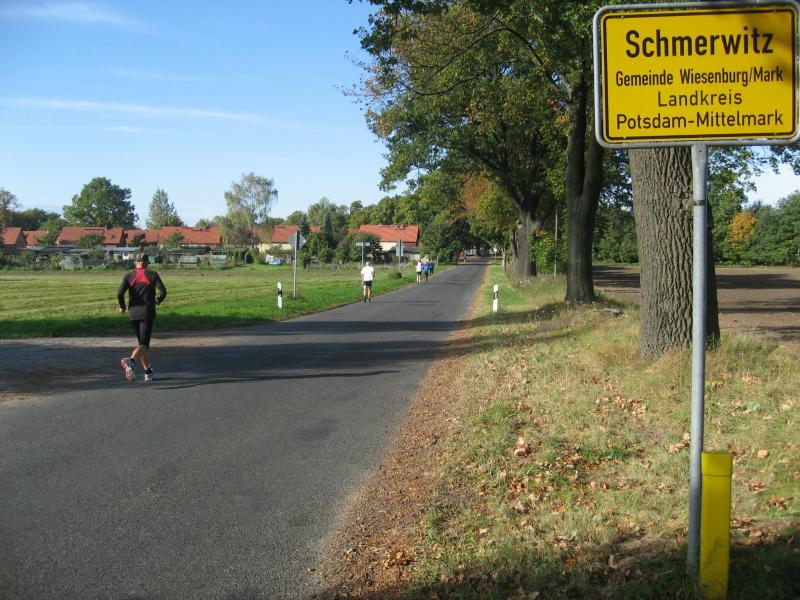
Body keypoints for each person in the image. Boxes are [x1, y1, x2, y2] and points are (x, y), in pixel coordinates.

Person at [117, 254, 167, 382]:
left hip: (133, 314)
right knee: (144, 345)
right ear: (147, 263)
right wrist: (159, 299)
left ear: (135, 262)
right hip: (146, 313)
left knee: (141, 344)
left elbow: (120, 293)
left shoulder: (129, 275)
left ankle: (147, 371)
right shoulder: (152, 275)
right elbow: (163, 291)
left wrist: (122, 307)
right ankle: (131, 360)